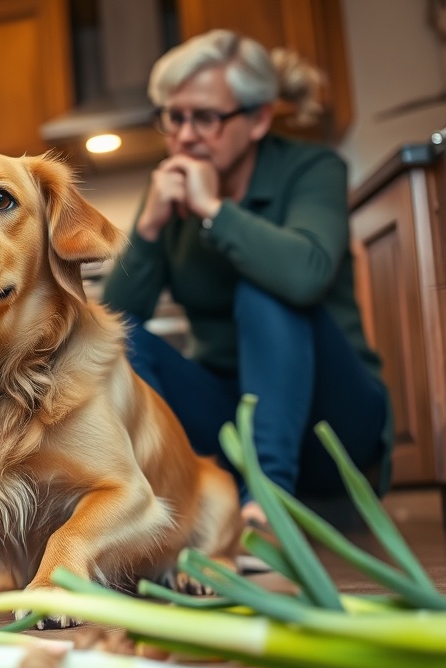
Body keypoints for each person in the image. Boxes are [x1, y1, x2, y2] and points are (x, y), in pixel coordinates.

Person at [102, 29, 391, 529]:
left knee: (268, 283)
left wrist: (213, 211)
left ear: (258, 119)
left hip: (335, 420)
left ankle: (269, 497)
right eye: (174, 117)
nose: (186, 135)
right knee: (119, 338)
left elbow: (305, 275)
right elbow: (114, 320)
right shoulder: (168, 191)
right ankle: (152, 509)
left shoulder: (310, 168)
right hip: (231, 418)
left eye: (206, 117)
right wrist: (148, 228)